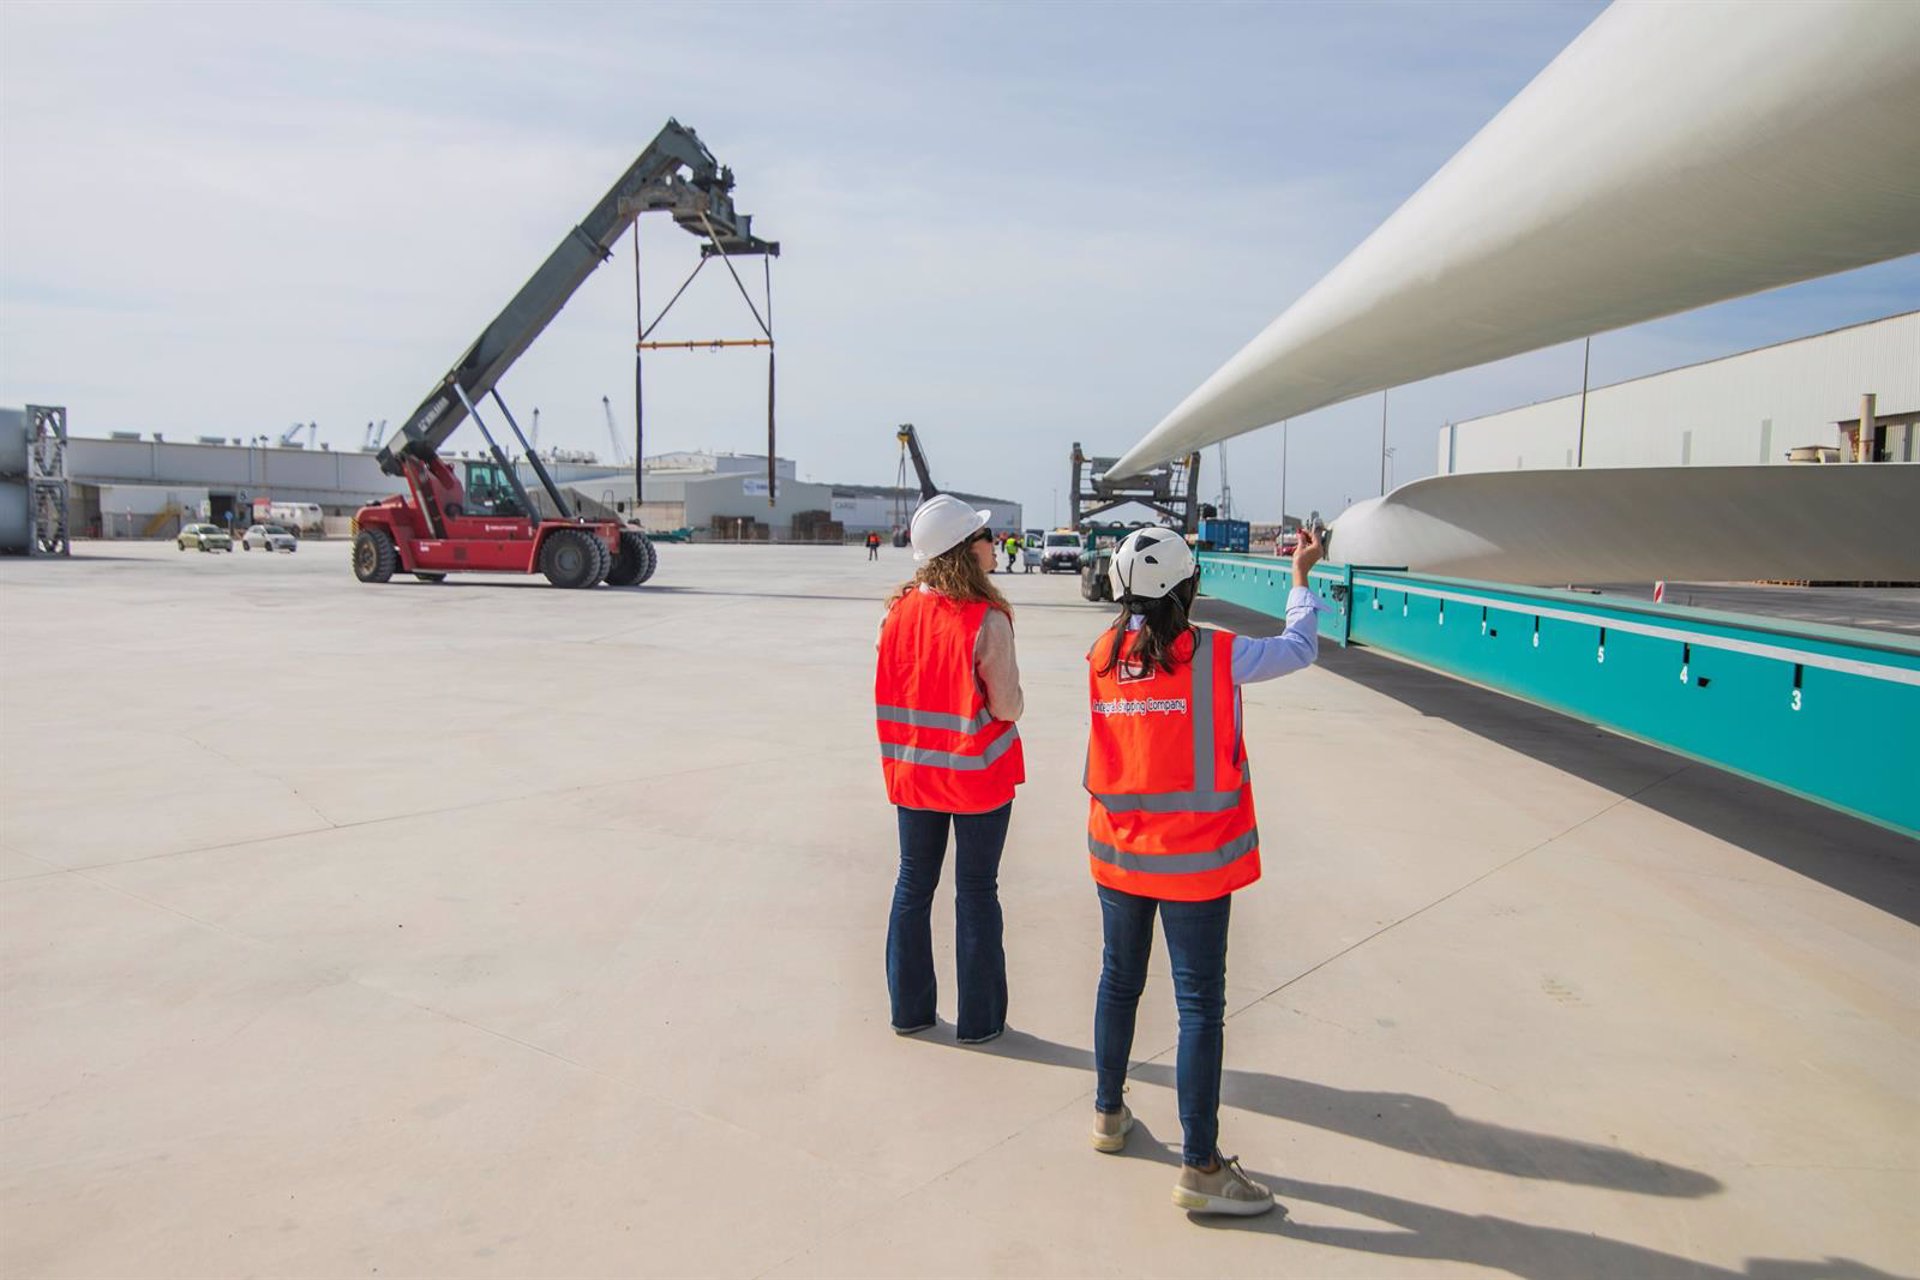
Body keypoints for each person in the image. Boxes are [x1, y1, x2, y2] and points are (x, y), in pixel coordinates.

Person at [1083, 523, 1326, 1216]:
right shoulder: (1220, 655)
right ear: (1188, 586)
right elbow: (1300, 648)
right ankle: (1201, 1165)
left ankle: (1107, 1114)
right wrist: (1301, 577)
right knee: (1198, 1010)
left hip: (1121, 851)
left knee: (1118, 981)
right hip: (1193, 860)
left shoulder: (1100, 654)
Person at [876, 494, 1026, 1044]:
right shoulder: (986, 620)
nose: (994, 544)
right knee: (976, 891)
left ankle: (909, 1012)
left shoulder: (894, 612)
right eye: (985, 537)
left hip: (914, 776)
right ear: (964, 551)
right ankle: (981, 1022)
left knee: (913, 885)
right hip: (976, 779)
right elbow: (1006, 706)